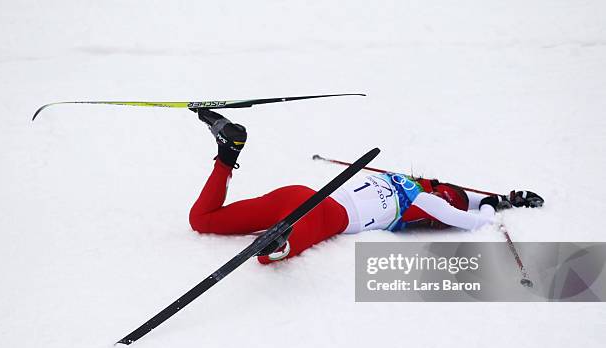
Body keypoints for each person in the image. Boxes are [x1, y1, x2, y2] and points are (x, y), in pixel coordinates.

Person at [189, 110, 544, 264]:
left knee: (202, 220)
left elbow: (466, 198)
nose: (441, 204)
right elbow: (474, 221)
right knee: (265, 258)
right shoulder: (429, 202)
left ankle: (227, 153)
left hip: (300, 195)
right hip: (323, 217)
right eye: (444, 196)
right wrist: (491, 208)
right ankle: (283, 240)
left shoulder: (400, 179)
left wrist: (503, 199)